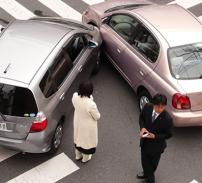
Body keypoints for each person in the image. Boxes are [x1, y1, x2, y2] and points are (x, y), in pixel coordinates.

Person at [137, 94, 173, 183]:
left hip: (156, 147)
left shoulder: (168, 119)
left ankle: (149, 180)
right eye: (157, 106)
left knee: (152, 165)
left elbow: (169, 134)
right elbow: (141, 118)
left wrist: (155, 136)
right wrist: (142, 128)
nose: (160, 109)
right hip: (145, 141)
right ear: (153, 104)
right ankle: (146, 173)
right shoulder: (147, 107)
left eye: (162, 107)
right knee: (144, 160)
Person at [72, 81, 101, 163]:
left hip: (78, 121)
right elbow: (97, 116)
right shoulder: (91, 104)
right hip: (87, 126)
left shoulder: (75, 97)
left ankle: (77, 155)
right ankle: (85, 158)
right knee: (86, 143)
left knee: (78, 139)